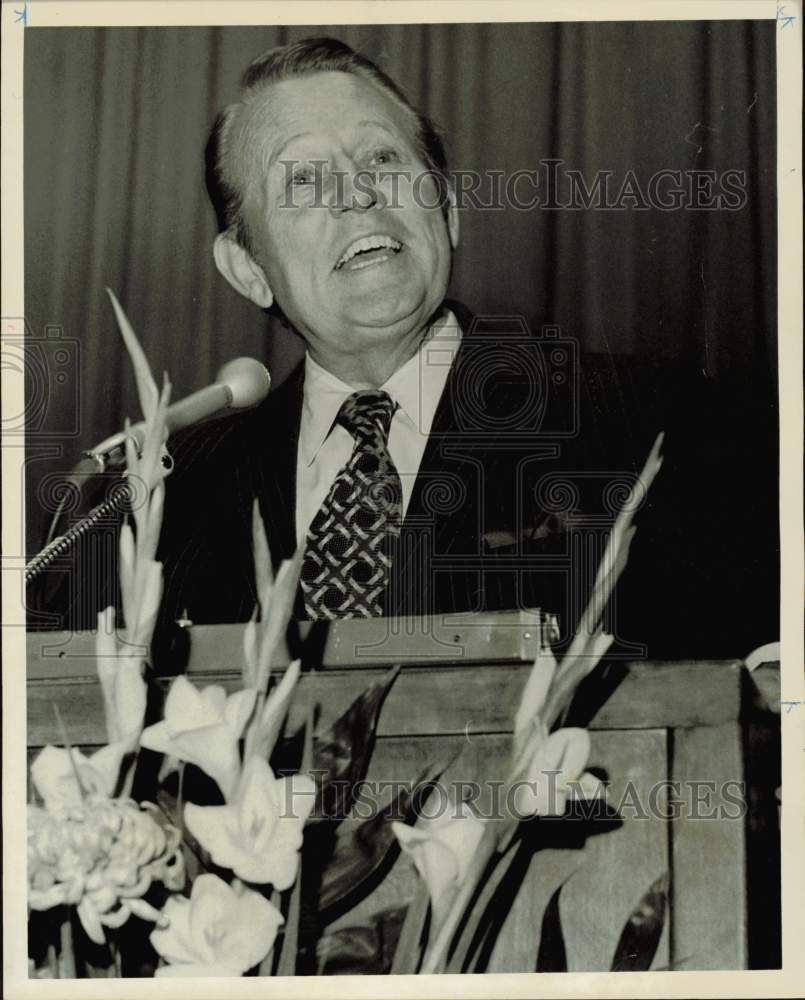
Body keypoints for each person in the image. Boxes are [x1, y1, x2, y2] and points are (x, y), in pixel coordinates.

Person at [35, 37, 779, 659]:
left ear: (447, 211)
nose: (357, 195)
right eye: (302, 180)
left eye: (383, 161)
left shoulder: (651, 425)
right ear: (247, 268)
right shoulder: (156, 500)